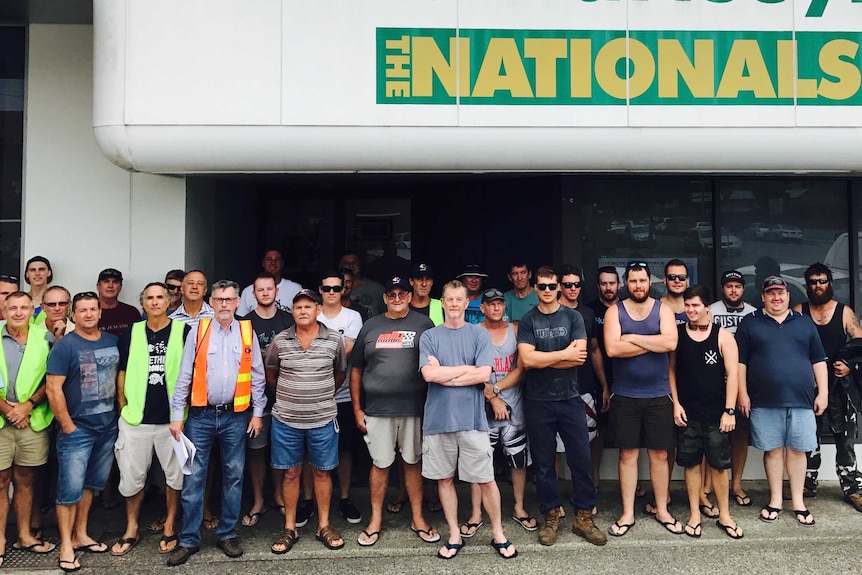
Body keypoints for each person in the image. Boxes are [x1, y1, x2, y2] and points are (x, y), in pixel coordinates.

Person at [167, 280, 266, 566]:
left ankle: (227, 534)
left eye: (229, 299)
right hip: (200, 416)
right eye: (219, 299)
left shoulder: (247, 331)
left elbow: (257, 375)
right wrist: (177, 416)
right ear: (212, 302)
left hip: (237, 416)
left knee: (234, 476)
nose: (224, 304)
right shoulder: (198, 330)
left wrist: (258, 413)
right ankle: (188, 540)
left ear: (237, 303)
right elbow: (185, 374)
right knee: (194, 478)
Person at [419, 280, 516, 560]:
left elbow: (484, 374)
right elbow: (428, 375)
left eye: (458, 299)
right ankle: (454, 534)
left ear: (465, 303)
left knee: (486, 479)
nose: (453, 304)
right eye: (449, 299)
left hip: (473, 420)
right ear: (443, 302)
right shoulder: (430, 336)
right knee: (445, 480)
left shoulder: (478, 335)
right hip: (438, 421)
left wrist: (447, 375)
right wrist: (466, 371)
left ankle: (498, 533)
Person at [517, 268, 606, 546]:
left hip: (570, 398)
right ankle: (550, 516)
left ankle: (583, 518)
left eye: (551, 286)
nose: (547, 290)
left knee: (580, 459)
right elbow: (527, 361)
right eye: (541, 286)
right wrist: (562, 354)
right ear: (535, 288)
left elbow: (579, 357)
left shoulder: (573, 317)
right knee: (544, 465)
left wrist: (545, 357)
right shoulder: (528, 320)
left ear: (558, 288)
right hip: (538, 401)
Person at [350, 276, 438, 546]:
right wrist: (357, 408)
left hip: (414, 408)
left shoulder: (424, 325)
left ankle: (418, 517)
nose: (397, 298)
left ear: (410, 297)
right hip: (377, 410)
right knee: (380, 464)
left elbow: (435, 364)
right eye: (392, 294)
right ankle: (375, 519)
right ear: (385, 298)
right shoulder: (370, 326)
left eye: (402, 294)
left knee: (412, 463)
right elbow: (356, 369)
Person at [736, 276, 827, 526]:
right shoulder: (750, 323)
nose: (777, 297)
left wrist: (824, 393)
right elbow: (740, 362)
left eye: (781, 293)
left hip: (802, 399)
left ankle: (798, 501)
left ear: (788, 296)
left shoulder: (804, 323)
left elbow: (818, 360)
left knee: (798, 452)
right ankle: (775, 499)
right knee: (773, 451)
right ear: (763, 297)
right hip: (763, 400)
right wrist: (742, 393)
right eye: (771, 293)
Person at [265, 289, 347, 554]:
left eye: (308, 306)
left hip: (322, 418)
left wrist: (317, 395)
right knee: (290, 472)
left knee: (322, 472)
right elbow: (271, 374)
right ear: (293, 311)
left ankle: (324, 525)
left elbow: (340, 374)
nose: (303, 311)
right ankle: (290, 527)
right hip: (287, 419)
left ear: (318, 310)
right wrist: (294, 396)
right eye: (298, 307)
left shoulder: (334, 340)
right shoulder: (281, 340)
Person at [111, 283, 190, 556]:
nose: (155, 302)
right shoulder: (131, 332)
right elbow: (121, 371)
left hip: (172, 419)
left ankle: (170, 524)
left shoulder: (183, 331)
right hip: (136, 419)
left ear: (169, 301)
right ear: (143, 303)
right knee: (132, 477)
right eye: (149, 298)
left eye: (160, 297)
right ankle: (131, 527)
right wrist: (123, 406)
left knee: (175, 477)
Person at [46, 291, 121, 573]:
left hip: (106, 428)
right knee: (69, 490)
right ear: (73, 315)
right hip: (77, 429)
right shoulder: (65, 346)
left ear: (100, 312)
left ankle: (81, 534)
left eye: (93, 309)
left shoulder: (112, 342)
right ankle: (66, 544)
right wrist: (67, 425)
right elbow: (53, 388)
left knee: (91, 485)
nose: (88, 314)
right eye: (82, 310)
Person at [604, 261, 680, 537]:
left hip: (659, 394)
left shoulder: (664, 309)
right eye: (633, 281)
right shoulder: (615, 311)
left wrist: (633, 337)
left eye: (643, 281)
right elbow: (612, 349)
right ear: (626, 283)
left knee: (660, 455)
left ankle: (662, 509)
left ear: (651, 282)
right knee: (628, 455)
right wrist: (652, 342)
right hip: (625, 395)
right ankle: (628, 513)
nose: (638, 285)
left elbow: (670, 343)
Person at [669, 285, 743, 540]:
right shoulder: (677, 334)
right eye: (687, 306)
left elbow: (733, 374)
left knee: (720, 466)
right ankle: (694, 514)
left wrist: (729, 411)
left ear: (707, 307)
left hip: (716, 413)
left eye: (696, 305)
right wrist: (675, 403)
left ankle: (725, 515)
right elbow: (671, 371)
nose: (691, 310)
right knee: (690, 464)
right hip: (687, 412)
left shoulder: (723, 336)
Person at [463, 288, 535, 535]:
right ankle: (475, 512)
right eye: (490, 304)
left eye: (499, 304)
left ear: (505, 307)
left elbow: (522, 367)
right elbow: (469, 370)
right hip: (480, 408)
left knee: (518, 460)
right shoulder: (472, 333)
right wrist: (492, 398)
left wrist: (496, 388)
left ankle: (519, 507)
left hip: (514, 406)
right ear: (481, 308)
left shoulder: (515, 330)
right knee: (479, 461)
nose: (496, 308)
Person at [794, 263, 862, 511]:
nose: (818, 286)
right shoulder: (799, 311)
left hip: (839, 385)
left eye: (822, 281)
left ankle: (852, 488)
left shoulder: (843, 312)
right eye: (813, 281)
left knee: (844, 438)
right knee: (806, 436)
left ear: (830, 283)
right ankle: (808, 483)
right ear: (807, 285)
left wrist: (849, 365)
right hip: (807, 384)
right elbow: (788, 345)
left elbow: (860, 344)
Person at [0, 292, 56, 564]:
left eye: (24, 307)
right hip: (1, 421)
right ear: (4, 309)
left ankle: (24, 535)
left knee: (26, 480)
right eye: (13, 308)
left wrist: (28, 406)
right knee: (0, 482)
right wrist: (8, 409)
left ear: (32, 310)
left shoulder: (44, 337)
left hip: (32, 420)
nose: (19, 312)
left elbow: (52, 378)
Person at [239, 272, 295, 527]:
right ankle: (259, 500)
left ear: (276, 292)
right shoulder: (244, 323)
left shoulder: (288, 320)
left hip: (285, 397)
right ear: (253, 294)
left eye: (269, 289)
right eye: (259, 290)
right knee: (256, 451)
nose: (264, 293)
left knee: (282, 451)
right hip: (254, 400)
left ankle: (280, 496)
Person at [316, 270, 364, 525]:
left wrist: (317, 349)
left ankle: (344, 498)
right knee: (309, 451)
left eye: (337, 288)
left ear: (343, 290)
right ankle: (307, 500)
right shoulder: (311, 312)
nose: (332, 293)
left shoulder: (353, 316)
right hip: (312, 397)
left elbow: (347, 351)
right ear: (320, 290)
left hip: (343, 396)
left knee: (344, 450)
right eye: (327, 288)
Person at [559, 265, 610, 489]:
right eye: (568, 284)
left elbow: (595, 350)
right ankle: (556, 496)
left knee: (591, 437)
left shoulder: (588, 313)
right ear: (560, 286)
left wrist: (604, 385)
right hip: (555, 387)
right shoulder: (549, 311)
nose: (573, 289)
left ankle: (592, 484)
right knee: (555, 443)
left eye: (577, 284)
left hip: (585, 384)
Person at [709, 270, 756, 508]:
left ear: (743, 289)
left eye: (738, 286)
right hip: (715, 381)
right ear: (722, 288)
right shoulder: (711, 311)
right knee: (713, 436)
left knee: (739, 436)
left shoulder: (753, 313)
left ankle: (736, 484)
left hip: (741, 382)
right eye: (729, 286)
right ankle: (709, 486)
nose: (733, 290)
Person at [237, 249, 303, 316]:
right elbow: (241, 320)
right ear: (263, 263)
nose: (273, 262)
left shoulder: (295, 289)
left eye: (277, 259)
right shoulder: (248, 291)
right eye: (269, 259)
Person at [97, 268, 141, 337]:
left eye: (115, 282)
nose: (110, 286)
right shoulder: (90, 313)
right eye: (106, 281)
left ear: (120, 287)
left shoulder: (131, 312)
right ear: (98, 286)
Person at [339, 251, 385, 318]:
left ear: (360, 265)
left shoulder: (377, 289)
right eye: (346, 263)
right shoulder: (332, 289)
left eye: (354, 262)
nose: (351, 265)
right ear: (340, 266)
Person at [661, 259, 689, 325]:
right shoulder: (655, 308)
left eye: (682, 277)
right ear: (665, 280)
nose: (677, 281)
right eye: (672, 277)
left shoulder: (697, 309)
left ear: (687, 280)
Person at [24, 256, 52, 321]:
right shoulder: (20, 300)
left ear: (49, 273)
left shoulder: (57, 301)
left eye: (41, 269)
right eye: (33, 270)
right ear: (27, 274)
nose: (37, 273)